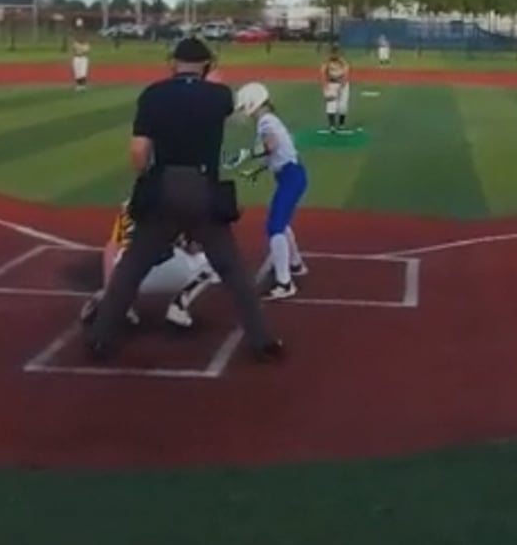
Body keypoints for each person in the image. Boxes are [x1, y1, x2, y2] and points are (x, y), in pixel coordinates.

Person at [84, 37, 282, 361]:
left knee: (132, 267)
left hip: (163, 186)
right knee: (233, 270)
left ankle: (101, 337)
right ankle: (263, 341)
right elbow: (223, 108)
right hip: (204, 189)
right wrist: (211, 82)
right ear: (206, 65)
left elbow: (138, 154)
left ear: (173, 63)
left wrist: (150, 179)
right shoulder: (219, 95)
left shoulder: (153, 94)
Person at [79, 195, 222, 330]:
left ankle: (118, 302)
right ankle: (178, 306)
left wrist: (110, 288)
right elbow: (192, 247)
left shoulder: (129, 204)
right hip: (157, 273)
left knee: (128, 253)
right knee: (212, 261)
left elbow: (111, 247)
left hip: (125, 276)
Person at [226, 81, 309, 300]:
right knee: (281, 221)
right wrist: (256, 170)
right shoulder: (270, 120)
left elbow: (271, 145)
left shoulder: (266, 122)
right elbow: (277, 152)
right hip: (292, 175)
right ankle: (295, 264)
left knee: (275, 227)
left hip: (291, 176)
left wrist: (246, 155)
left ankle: (285, 283)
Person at [321, 45, 351, 133]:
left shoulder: (343, 62)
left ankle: (341, 124)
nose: (334, 55)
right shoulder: (327, 62)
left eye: (336, 53)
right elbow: (323, 73)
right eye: (333, 53)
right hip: (331, 84)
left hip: (343, 85)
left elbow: (346, 75)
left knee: (343, 106)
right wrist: (325, 86)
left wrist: (341, 85)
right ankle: (332, 125)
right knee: (331, 105)